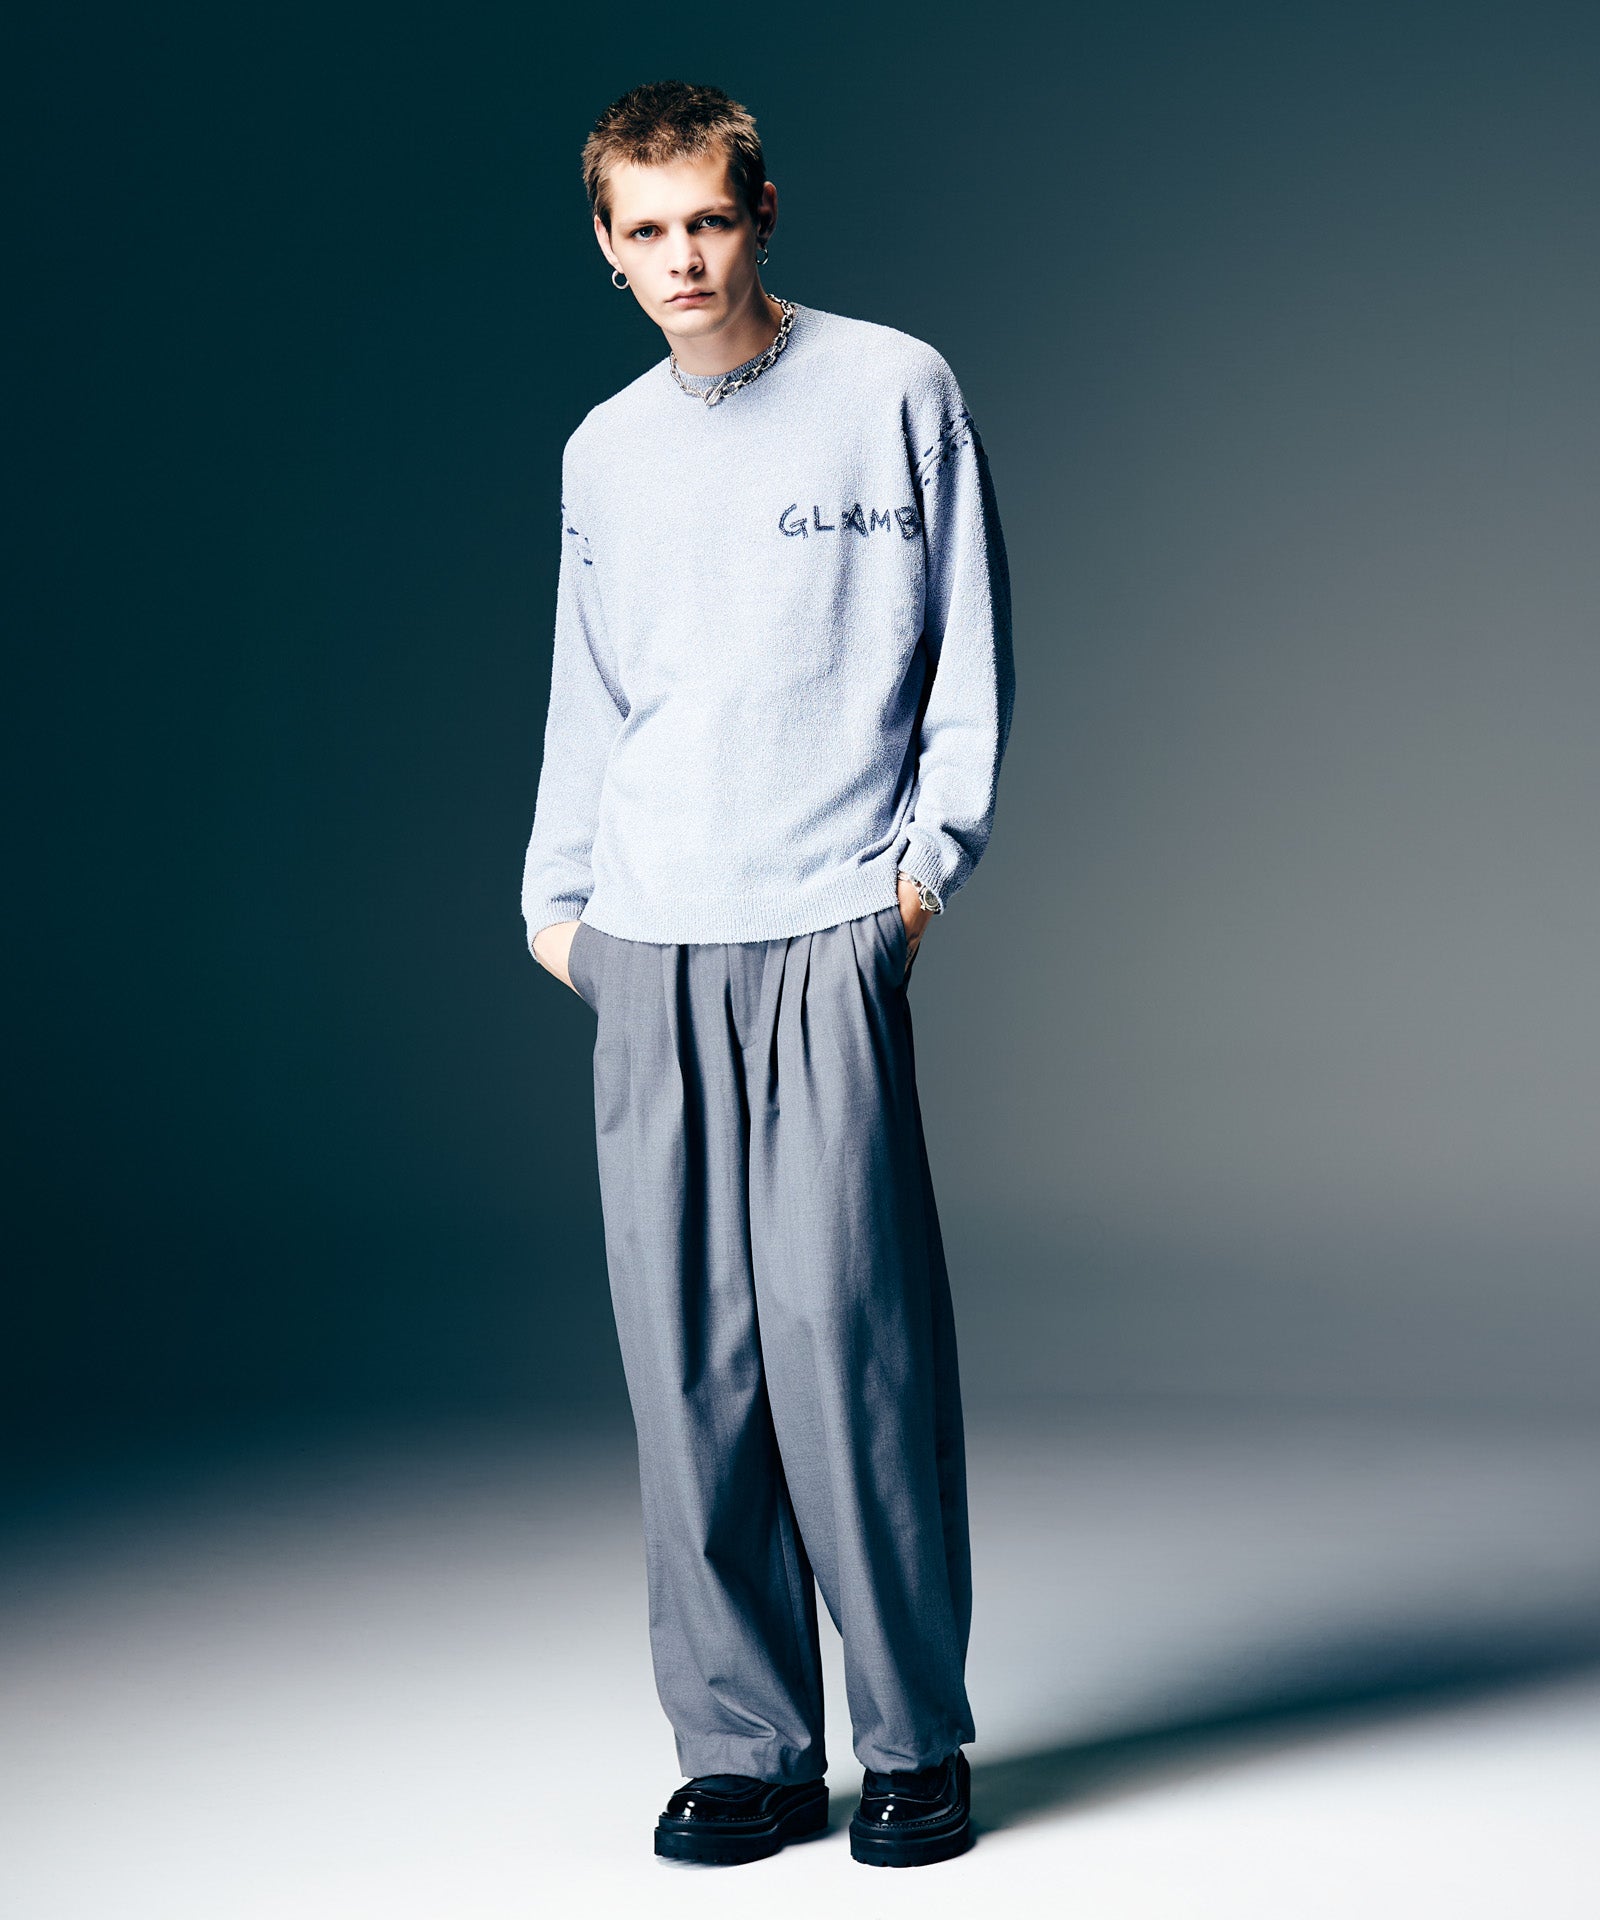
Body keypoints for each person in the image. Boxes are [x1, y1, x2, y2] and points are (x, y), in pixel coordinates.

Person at [520, 78, 1014, 1870]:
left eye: (708, 221)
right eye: (646, 231)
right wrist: (557, 905)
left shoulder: (895, 390)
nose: (683, 260)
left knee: (847, 1347)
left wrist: (921, 875)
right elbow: (591, 693)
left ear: (763, 211)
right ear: (606, 243)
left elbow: (967, 653)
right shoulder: (602, 451)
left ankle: (912, 1739)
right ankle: (746, 1747)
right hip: (648, 940)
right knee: (691, 1372)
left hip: (825, 931)